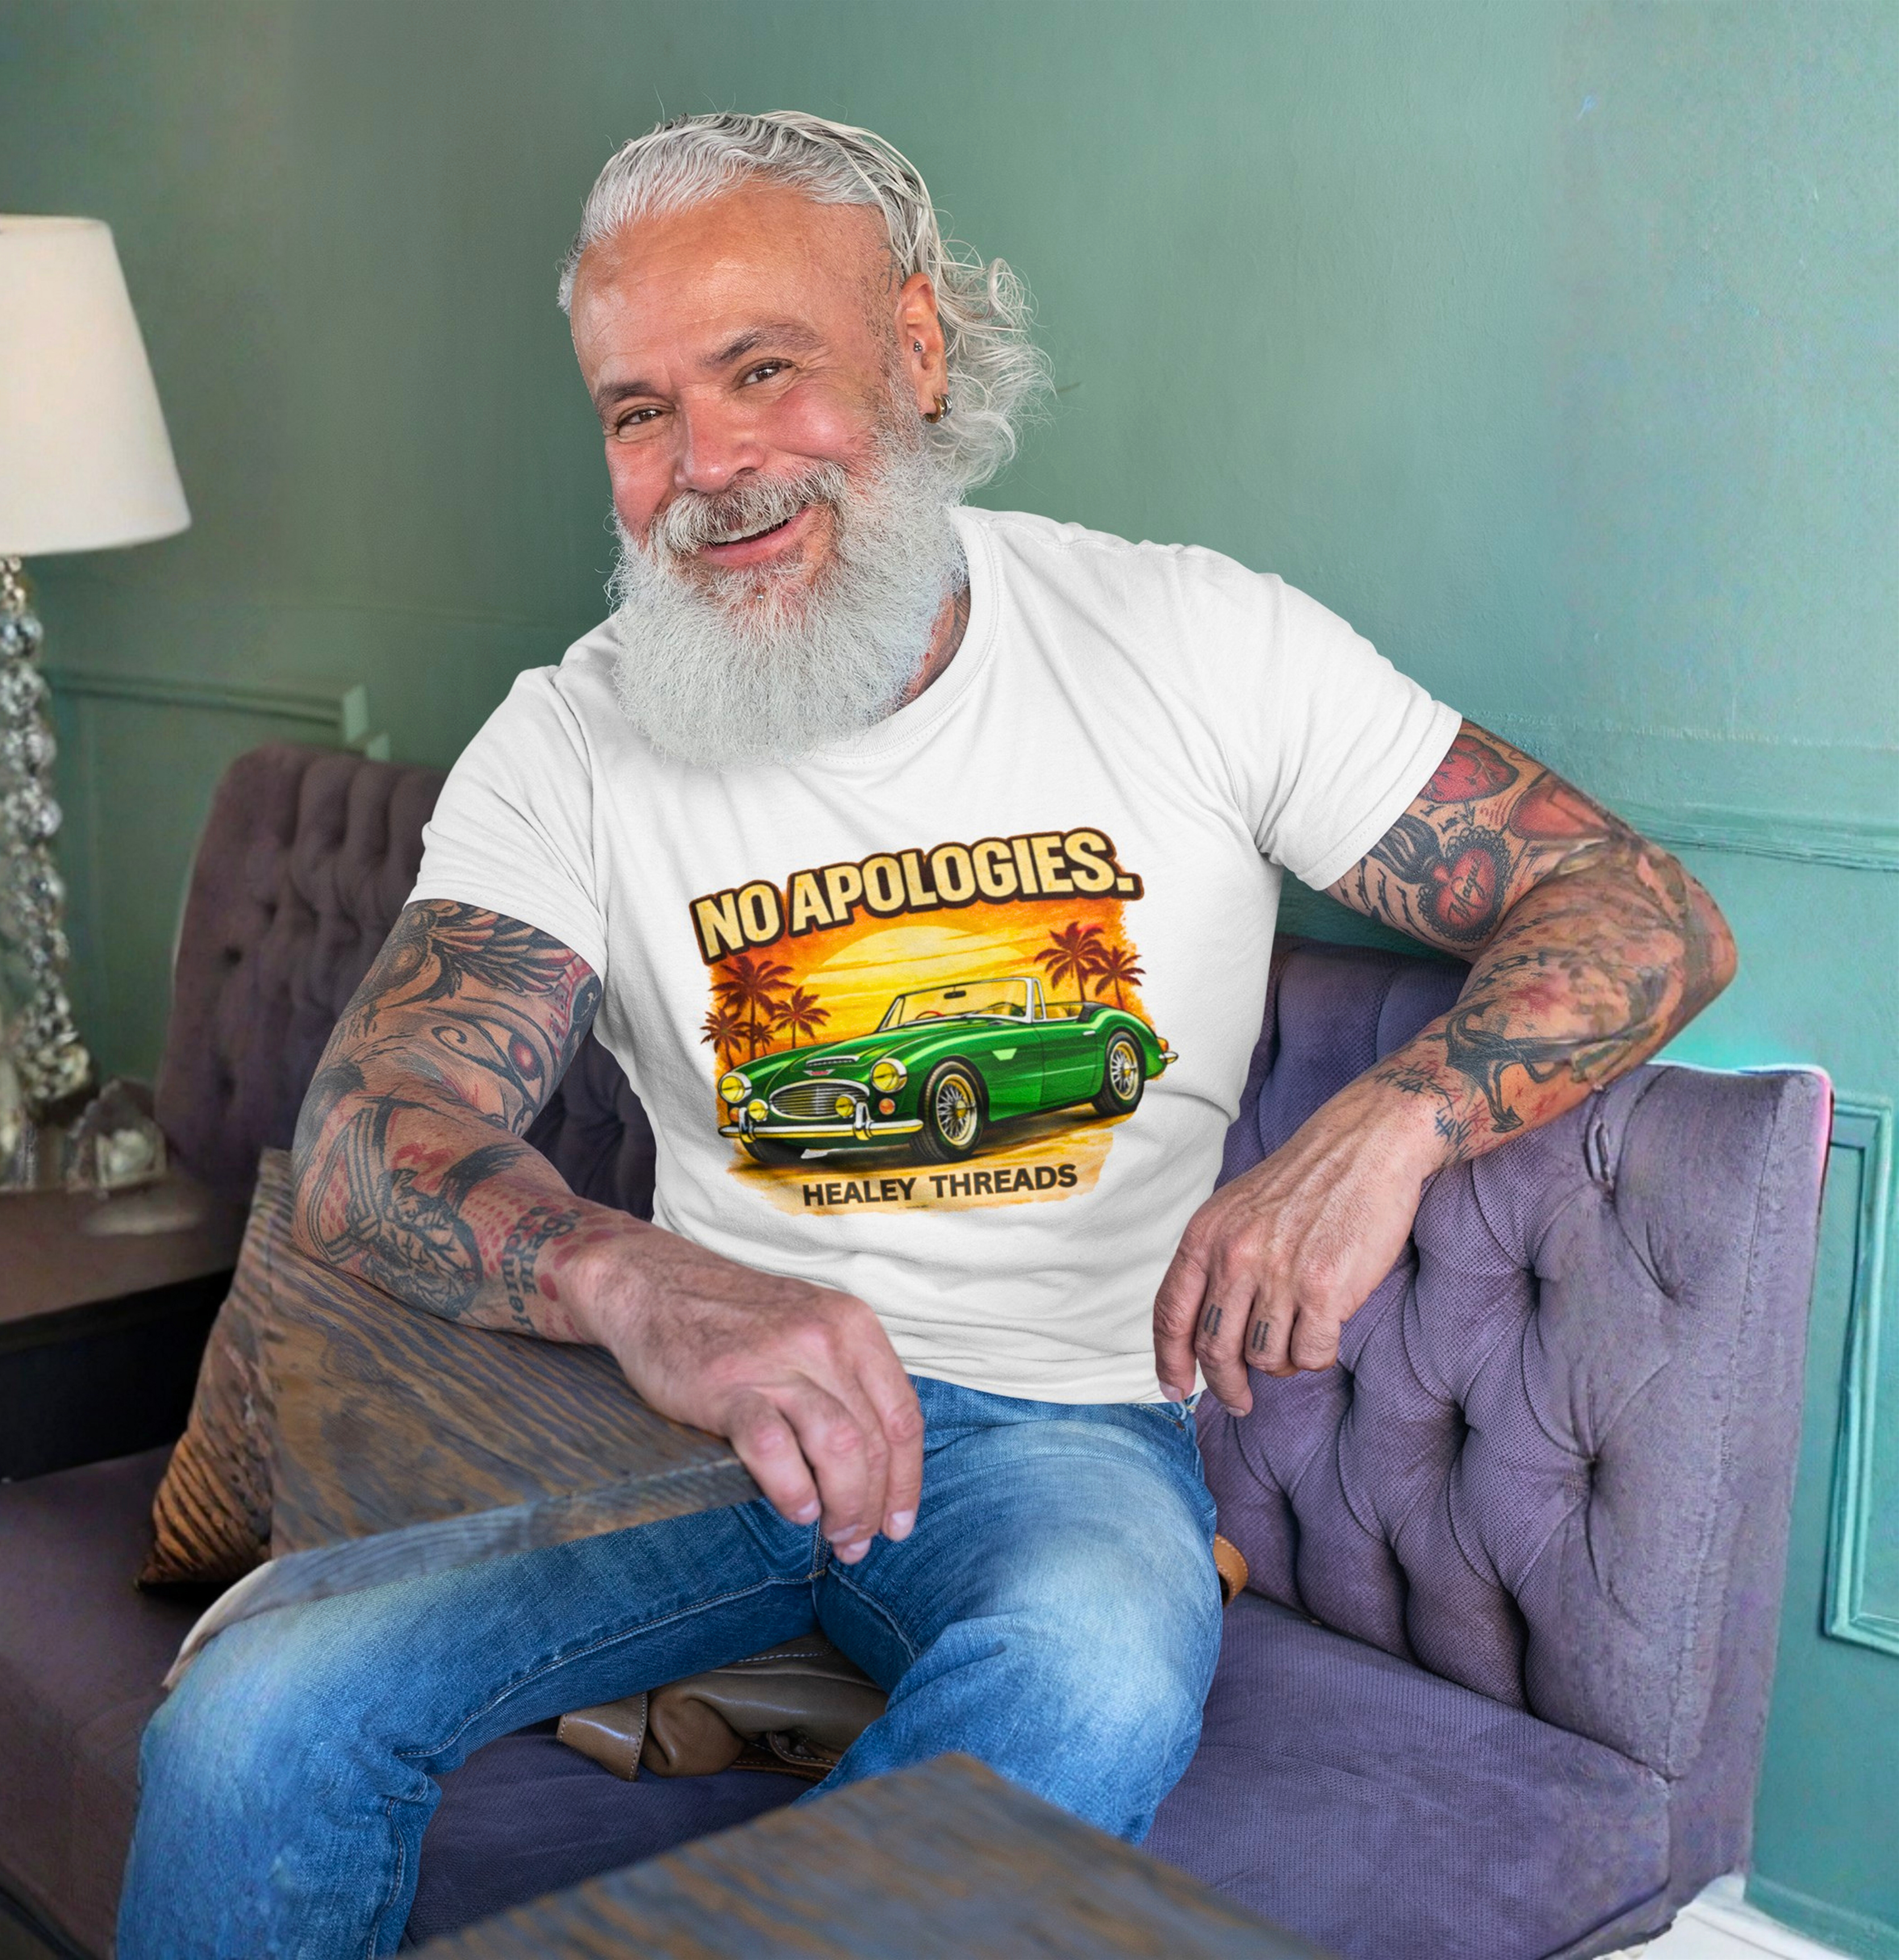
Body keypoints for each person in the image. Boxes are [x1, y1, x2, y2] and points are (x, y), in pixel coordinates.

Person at [118, 111, 1734, 1955]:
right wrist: (649, 1291)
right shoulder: (570, 735)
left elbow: (1641, 905)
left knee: (1094, 1679)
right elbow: (366, 1127)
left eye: (762, 370)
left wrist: (1389, 1127)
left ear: (919, 350)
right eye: (639, 411)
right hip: (692, 1426)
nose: (706, 462)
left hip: (1066, 1435)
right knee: (253, 1713)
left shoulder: (1193, 643)